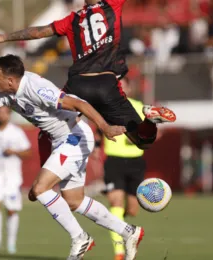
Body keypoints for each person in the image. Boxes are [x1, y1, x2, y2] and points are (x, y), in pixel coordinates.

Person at [0, 55, 143, 260]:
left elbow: (79, 104)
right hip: (60, 141)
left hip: (74, 136)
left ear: (11, 80)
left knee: (41, 189)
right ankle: (129, 232)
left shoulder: (36, 87)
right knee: (74, 201)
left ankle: (80, 238)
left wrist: (105, 128)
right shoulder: (1, 93)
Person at [0, 0, 176, 152]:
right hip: (106, 83)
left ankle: (48, 180)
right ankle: (150, 121)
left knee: (48, 128)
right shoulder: (113, 4)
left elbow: (38, 32)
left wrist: (6, 37)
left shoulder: (72, 19)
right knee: (143, 142)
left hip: (78, 84)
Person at [93, 78, 147, 260]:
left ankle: (118, 223)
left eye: (125, 85)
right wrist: (96, 145)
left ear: (130, 88)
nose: (122, 88)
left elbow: (151, 131)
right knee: (116, 202)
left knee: (132, 209)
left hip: (135, 162)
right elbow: (97, 129)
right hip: (114, 161)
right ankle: (119, 253)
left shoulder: (140, 107)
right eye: (118, 86)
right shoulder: (107, 107)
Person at [0, 106, 32, 255]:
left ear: (9, 115)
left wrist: (14, 152)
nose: (2, 115)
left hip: (12, 174)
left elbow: (28, 152)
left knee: (11, 208)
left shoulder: (17, 132)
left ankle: (11, 243)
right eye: (0, 112)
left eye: (5, 112)